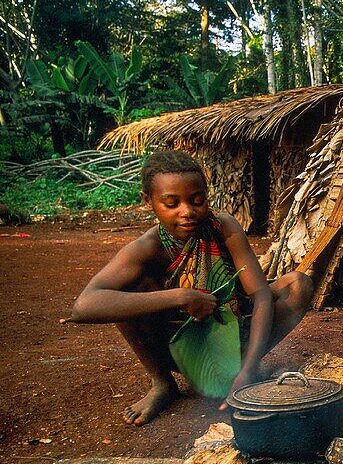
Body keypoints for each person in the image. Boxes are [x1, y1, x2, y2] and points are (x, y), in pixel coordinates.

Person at [70, 149, 313, 425]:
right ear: (148, 201)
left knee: (298, 284)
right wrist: (180, 296)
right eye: (172, 203)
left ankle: (241, 367)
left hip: (233, 334)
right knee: (129, 292)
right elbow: (83, 307)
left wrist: (247, 371)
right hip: (178, 346)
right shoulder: (149, 247)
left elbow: (260, 296)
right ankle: (162, 383)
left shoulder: (223, 227)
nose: (187, 212)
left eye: (197, 201)